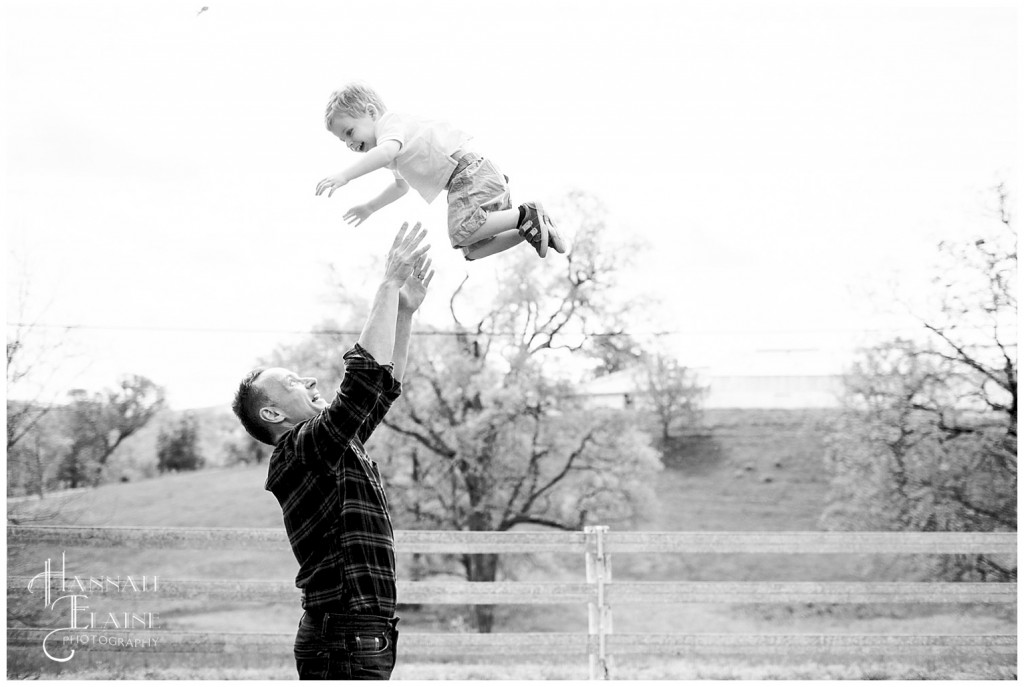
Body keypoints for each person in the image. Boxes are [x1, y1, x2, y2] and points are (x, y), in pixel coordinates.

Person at [231, 222, 433, 680]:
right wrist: (385, 284)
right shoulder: (298, 452)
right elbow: (360, 386)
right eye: (293, 383)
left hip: (360, 631)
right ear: (271, 415)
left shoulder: (331, 447)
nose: (310, 382)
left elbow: (381, 390)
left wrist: (403, 312)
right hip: (344, 633)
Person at [314, 82, 567, 261]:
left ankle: (525, 214)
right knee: (471, 249)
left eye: (349, 132)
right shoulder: (395, 149)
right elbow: (400, 187)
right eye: (343, 141)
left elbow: (384, 154)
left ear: (371, 112)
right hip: (474, 178)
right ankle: (532, 228)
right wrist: (370, 207)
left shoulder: (390, 126)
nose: (350, 143)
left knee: (461, 232)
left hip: (470, 174)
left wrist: (344, 176)